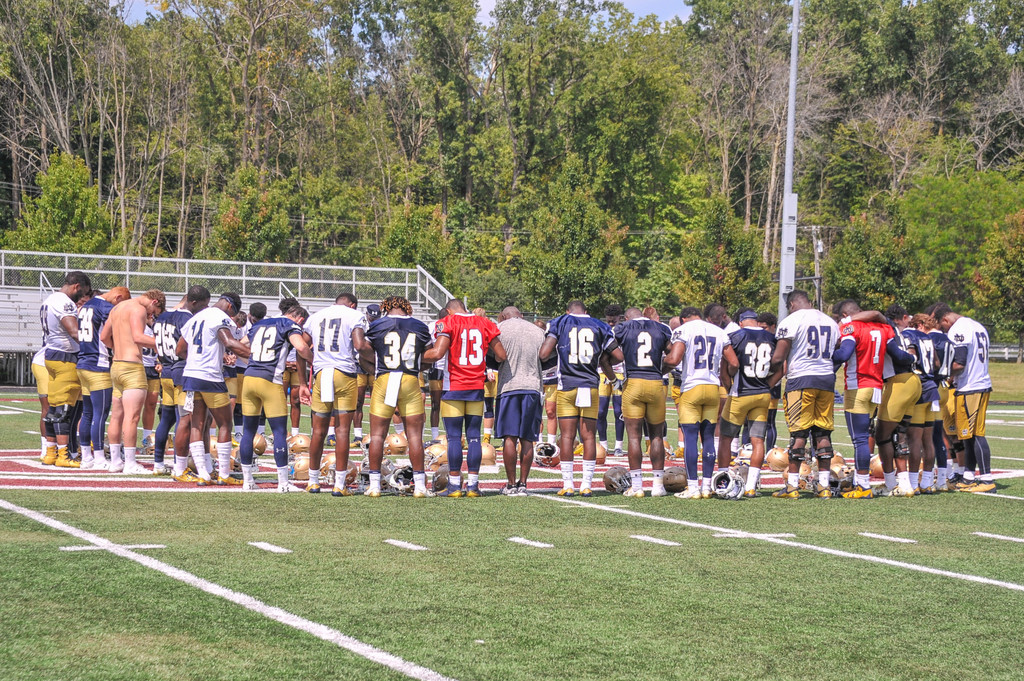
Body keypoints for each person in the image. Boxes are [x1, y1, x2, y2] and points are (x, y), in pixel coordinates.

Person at [425, 299, 505, 497]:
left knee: (453, 438)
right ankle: (473, 486)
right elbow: (501, 355)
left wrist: (415, 357)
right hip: (476, 387)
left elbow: (438, 353)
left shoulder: (449, 322)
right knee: (474, 438)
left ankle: (454, 486)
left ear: (449, 311)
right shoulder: (485, 322)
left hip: (454, 387)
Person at [538, 300, 619, 497]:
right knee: (589, 436)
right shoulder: (599, 325)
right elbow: (618, 355)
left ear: (568, 311)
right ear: (587, 311)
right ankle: (586, 485)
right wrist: (602, 362)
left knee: (567, 436)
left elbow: (544, 353)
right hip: (590, 385)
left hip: (567, 385)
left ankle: (568, 484)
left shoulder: (560, 322)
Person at [769, 290, 840, 499]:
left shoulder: (791, 321)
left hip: (801, 379)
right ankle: (824, 486)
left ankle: (792, 486)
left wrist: (766, 373)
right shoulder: (830, 321)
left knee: (799, 434)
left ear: (791, 305)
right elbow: (836, 346)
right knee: (823, 433)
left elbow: (778, 357)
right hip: (826, 379)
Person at [176, 292, 251, 486]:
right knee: (225, 423)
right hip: (210, 376)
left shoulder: (196, 317)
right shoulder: (219, 317)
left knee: (196, 424)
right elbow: (228, 341)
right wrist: (255, 356)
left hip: (191, 374)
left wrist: (196, 361)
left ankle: (203, 474)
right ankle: (224, 474)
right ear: (229, 306)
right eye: (233, 313)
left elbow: (180, 350)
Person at [361, 296, 433, 497]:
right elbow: (428, 355)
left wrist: (374, 368)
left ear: (385, 308)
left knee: (377, 435)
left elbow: (363, 353)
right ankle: (419, 486)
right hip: (410, 378)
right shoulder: (419, 326)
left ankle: (374, 485)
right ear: (407, 308)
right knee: (415, 436)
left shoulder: (377, 325)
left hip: (385, 377)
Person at [663, 307, 736, 498]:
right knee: (709, 438)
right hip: (712, 388)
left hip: (692, 387)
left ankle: (693, 487)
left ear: (684, 319)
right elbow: (734, 363)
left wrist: (659, 367)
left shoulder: (684, 330)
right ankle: (707, 487)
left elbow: (674, 358)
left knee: (690, 438)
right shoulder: (719, 332)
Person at [239, 305, 312, 492]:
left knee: (248, 431)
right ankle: (283, 483)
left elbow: (241, 343)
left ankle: (247, 481)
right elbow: (301, 346)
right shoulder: (289, 325)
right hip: (270, 380)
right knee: (279, 432)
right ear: (300, 319)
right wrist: (316, 361)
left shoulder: (260, 324)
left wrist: (254, 360)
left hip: (249, 378)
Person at [302, 292, 368, 495]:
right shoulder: (353, 315)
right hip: (344, 373)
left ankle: (313, 481)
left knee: (318, 431)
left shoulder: (316, 315)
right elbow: (358, 344)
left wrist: (303, 378)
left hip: (322, 374)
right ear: (353, 305)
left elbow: (301, 346)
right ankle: (339, 484)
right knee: (341, 431)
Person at [831, 299, 894, 498]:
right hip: (876, 387)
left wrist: (825, 354)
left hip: (858, 387)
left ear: (844, 315)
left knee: (859, 440)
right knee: (866, 436)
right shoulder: (883, 328)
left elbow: (844, 354)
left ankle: (863, 486)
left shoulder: (851, 327)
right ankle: (862, 482)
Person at [100, 290, 166, 474]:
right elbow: (138, 337)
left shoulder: (117, 308)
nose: (152, 315)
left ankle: (115, 461)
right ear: (153, 301)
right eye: (154, 311)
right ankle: (129, 462)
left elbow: (104, 337)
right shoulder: (138, 309)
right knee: (132, 417)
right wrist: (162, 342)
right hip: (132, 367)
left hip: (117, 365)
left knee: (116, 416)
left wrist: (119, 347)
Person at [934, 302, 995, 493]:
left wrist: (940, 372)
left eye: (941, 326)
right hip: (979, 384)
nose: (944, 330)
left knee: (975, 434)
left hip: (971, 387)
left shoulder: (958, 330)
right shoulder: (977, 326)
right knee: (967, 436)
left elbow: (959, 363)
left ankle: (986, 479)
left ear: (944, 319)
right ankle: (969, 476)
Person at [719, 309, 779, 496]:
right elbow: (782, 366)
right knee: (758, 440)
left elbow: (730, 364)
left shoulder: (736, 336)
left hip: (741, 393)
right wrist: (768, 384)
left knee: (725, 438)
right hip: (762, 394)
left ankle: (722, 481)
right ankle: (751, 486)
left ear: (741, 322)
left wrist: (728, 385)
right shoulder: (771, 337)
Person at [614, 307, 673, 497]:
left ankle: (637, 486)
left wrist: (614, 377)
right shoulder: (661, 328)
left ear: (626, 317)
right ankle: (658, 486)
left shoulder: (623, 328)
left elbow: (609, 352)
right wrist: (660, 371)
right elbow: (673, 356)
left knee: (633, 436)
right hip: (655, 383)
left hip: (633, 383)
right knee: (656, 435)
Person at [153, 287, 210, 478]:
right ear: (193, 302)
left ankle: (158, 463)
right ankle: (180, 465)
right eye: (203, 306)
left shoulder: (162, 317)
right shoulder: (187, 319)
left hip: (165, 372)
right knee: (184, 420)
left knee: (166, 420)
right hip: (180, 372)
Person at [40, 272, 92, 467]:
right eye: (83, 293)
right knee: (63, 409)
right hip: (65, 358)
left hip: (52, 355)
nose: (81, 298)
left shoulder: (50, 299)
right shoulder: (64, 301)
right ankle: (63, 455)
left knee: (53, 408)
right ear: (76, 286)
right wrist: (93, 345)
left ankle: (51, 453)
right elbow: (73, 331)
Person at [76, 286, 131, 470]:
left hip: (83, 363)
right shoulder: (106, 307)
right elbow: (113, 332)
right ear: (118, 297)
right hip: (98, 365)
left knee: (88, 413)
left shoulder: (85, 306)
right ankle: (99, 456)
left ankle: (86, 456)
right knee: (100, 414)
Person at [493, 306, 546, 496]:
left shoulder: (500, 328)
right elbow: (547, 358)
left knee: (509, 437)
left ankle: (510, 483)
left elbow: (493, 358)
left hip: (509, 386)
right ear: (521, 316)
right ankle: (523, 483)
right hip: (532, 386)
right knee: (527, 439)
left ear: (504, 316)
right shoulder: (538, 331)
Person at [598, 304, 625, 455]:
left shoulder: (623, 330)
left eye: (613, 321)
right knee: (601, 411)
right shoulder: (602, 329)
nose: (611, 324)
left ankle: (618, 446)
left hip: (620, 372)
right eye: (608, 321)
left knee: (618, 410)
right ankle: (603, 445)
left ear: (619, 319)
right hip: (602, 373)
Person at [353, 302, 382, 443]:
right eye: (371, 317)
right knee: (358, 401)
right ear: (367, 315)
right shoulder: (360, 325)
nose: (372, 320)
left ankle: (375, 434)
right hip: (360, 365)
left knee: (377, 401)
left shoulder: (382, 325)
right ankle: (358, 435)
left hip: (376, 364)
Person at [756, 311, 781, 451]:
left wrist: (770, 383)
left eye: (764, 328)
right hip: (755, 384)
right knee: (750, 421)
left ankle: (769, 451)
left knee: (769, 421)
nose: (761, 331)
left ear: (773, 327)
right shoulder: (756, 339)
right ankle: (747, 449)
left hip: (772, 385)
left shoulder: (777, 341)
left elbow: (781, 366)